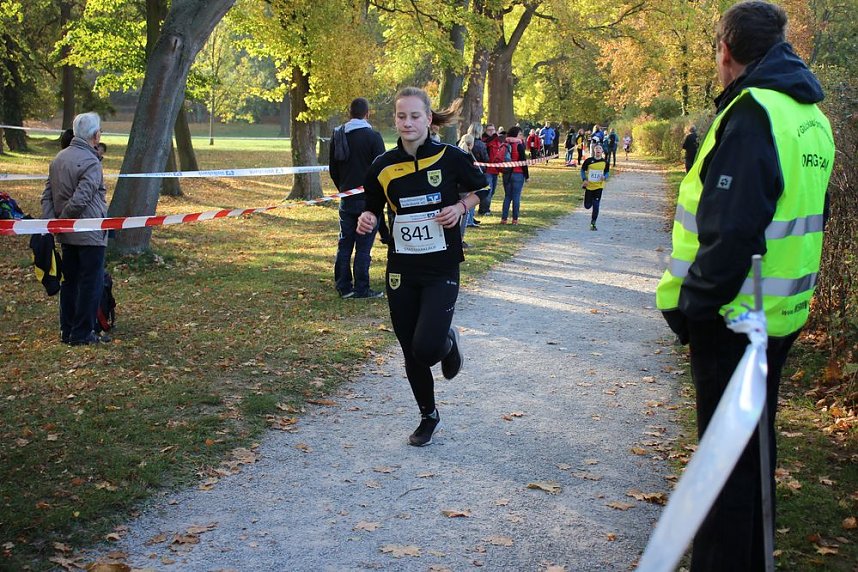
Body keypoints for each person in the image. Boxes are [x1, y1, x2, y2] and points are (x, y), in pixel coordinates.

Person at [655, 2, 834, 570]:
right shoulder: (808, 113)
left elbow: (731, 232)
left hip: (735, 316)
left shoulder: (754, 114)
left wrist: (692, 308)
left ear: (725, 52)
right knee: (750, 450)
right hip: (779, 311)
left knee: (725, 467)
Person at [356, 87, 488, 447]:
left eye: (415, 116)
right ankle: (428, 416)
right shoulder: (383, 166)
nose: (408, 122)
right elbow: (371, 204)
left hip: (441, 267)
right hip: (402, 269)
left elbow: (483, 189)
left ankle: (447, 342)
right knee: (410, 351)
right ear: (394, 120)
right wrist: (368, 218)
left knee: (427, 347)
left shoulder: (450, 157)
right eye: (401, 116)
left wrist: (461, 208)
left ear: (429, 119)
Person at [40, 112, 108, 346]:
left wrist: (53, 223)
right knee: (90, 283)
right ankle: (82, 332)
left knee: (70, 282)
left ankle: (67, 330)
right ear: (95, 135)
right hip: (89, 234)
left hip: (67, 234)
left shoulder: (58, 158)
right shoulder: (91, 162)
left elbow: (47, 195)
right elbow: (82, 198)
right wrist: (63, 220)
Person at [330, 97, 387, 299]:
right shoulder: (373, 137)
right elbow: (383, 170)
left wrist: (344, 188)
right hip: (369, 201)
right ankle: (362, 287)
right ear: (367, 113)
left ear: (349, 113)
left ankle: (343, 286)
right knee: (363, 246)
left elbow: (333, 169)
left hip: (347, 197)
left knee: (344, 243)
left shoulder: (338, 135)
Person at [500, 126, 529, 225]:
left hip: (506, 173)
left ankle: (504, 218)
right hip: (518, 173)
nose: (521, 136)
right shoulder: (519, 145)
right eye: (520, 134)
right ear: (516, 135)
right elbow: (523, 162)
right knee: (516, 196)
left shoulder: (505, 144)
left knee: (507, 196)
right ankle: (515, 219)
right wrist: (527, 176)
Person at [580, 144, 609, 231]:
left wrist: (605, 177)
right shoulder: (589, 161)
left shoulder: (605, 162)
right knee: (587, 206)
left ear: (602, 151)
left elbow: (607, 172)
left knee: (596, 206)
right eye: (596, 148)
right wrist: (584, 179)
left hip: (599, 187)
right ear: (594, 151)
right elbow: (582, 170)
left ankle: (593, 223)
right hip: (589, 187)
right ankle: (591, 201)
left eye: (600, 148)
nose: (598, 150)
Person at [481, 123, 502, 216]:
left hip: (496, 169)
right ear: (486, 131)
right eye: (489, 130)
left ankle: (483, 207)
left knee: (492, 191)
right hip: (487, 170)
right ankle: (485, 210)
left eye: (493, 130)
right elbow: (485, 145)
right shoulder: (484, 140)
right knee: (488, 191)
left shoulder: (497, 140)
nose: (491, 132)